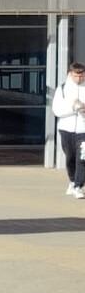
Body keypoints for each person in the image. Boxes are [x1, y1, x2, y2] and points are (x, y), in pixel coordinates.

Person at [52, 62, 85, 198]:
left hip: (83, 130)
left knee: (82, 157)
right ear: (70, 74)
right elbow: (57, 110)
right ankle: (72, 181)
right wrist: (74, 108)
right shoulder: (62, 89)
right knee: (70, 157)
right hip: (66, 129)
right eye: (77, 75)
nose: (79, 78)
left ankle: (78, 186)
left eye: (82, 75)